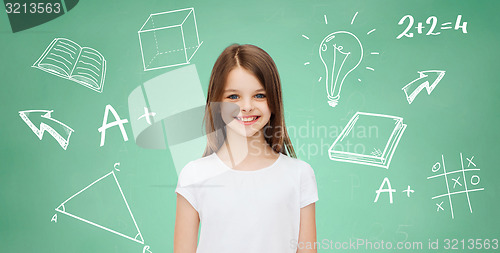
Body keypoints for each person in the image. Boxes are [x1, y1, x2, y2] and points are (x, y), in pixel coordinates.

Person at [174, 44, 319, 253]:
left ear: (274, 100)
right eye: (233, 97)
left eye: (259, 95)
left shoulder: (300, 174)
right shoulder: (194, 175)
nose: (247, 106)